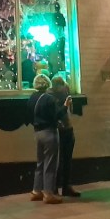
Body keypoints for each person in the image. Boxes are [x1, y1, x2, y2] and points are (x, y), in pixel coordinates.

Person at [27, 73, 66, 204]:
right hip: (49, 132)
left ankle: (36, 191)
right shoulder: (49, 98)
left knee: (40, 162)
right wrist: (66, 105)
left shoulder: (32, 97)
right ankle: (48, 193)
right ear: (47, 84)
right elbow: (57, 114)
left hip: (37, 132)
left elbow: (29, 115)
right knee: (50, 163)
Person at [51, 75, 80, 197]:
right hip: (61, 130)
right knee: (62, 160)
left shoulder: (61, 94)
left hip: (65, 128)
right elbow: (59, 113)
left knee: (63, 160)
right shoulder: (53, 97)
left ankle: (63, 186)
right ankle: (59, 187)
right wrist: (66, 105)